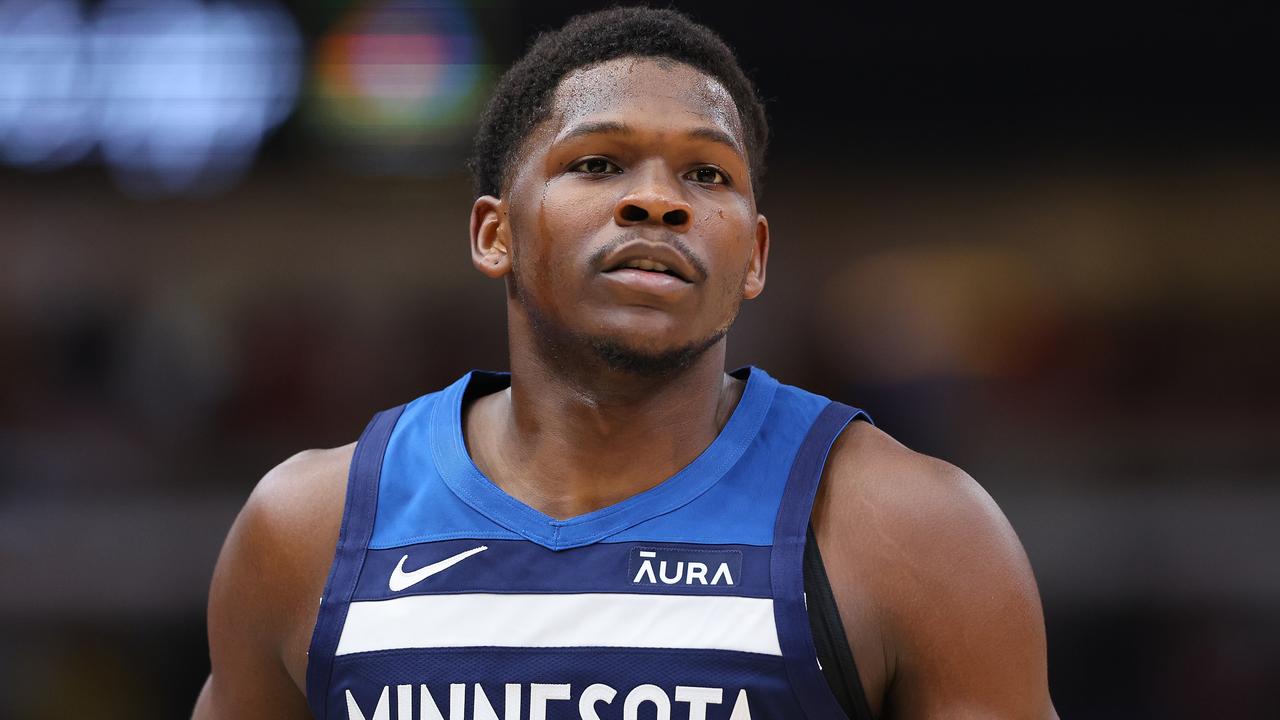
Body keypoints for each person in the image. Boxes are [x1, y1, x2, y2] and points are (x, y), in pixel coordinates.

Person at [193, 7, 1057, 719]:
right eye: (598, 163)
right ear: (494, 234)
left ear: (753, 259)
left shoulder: (912, 532)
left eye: (708, 175)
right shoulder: (308, 528)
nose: (659, 200)